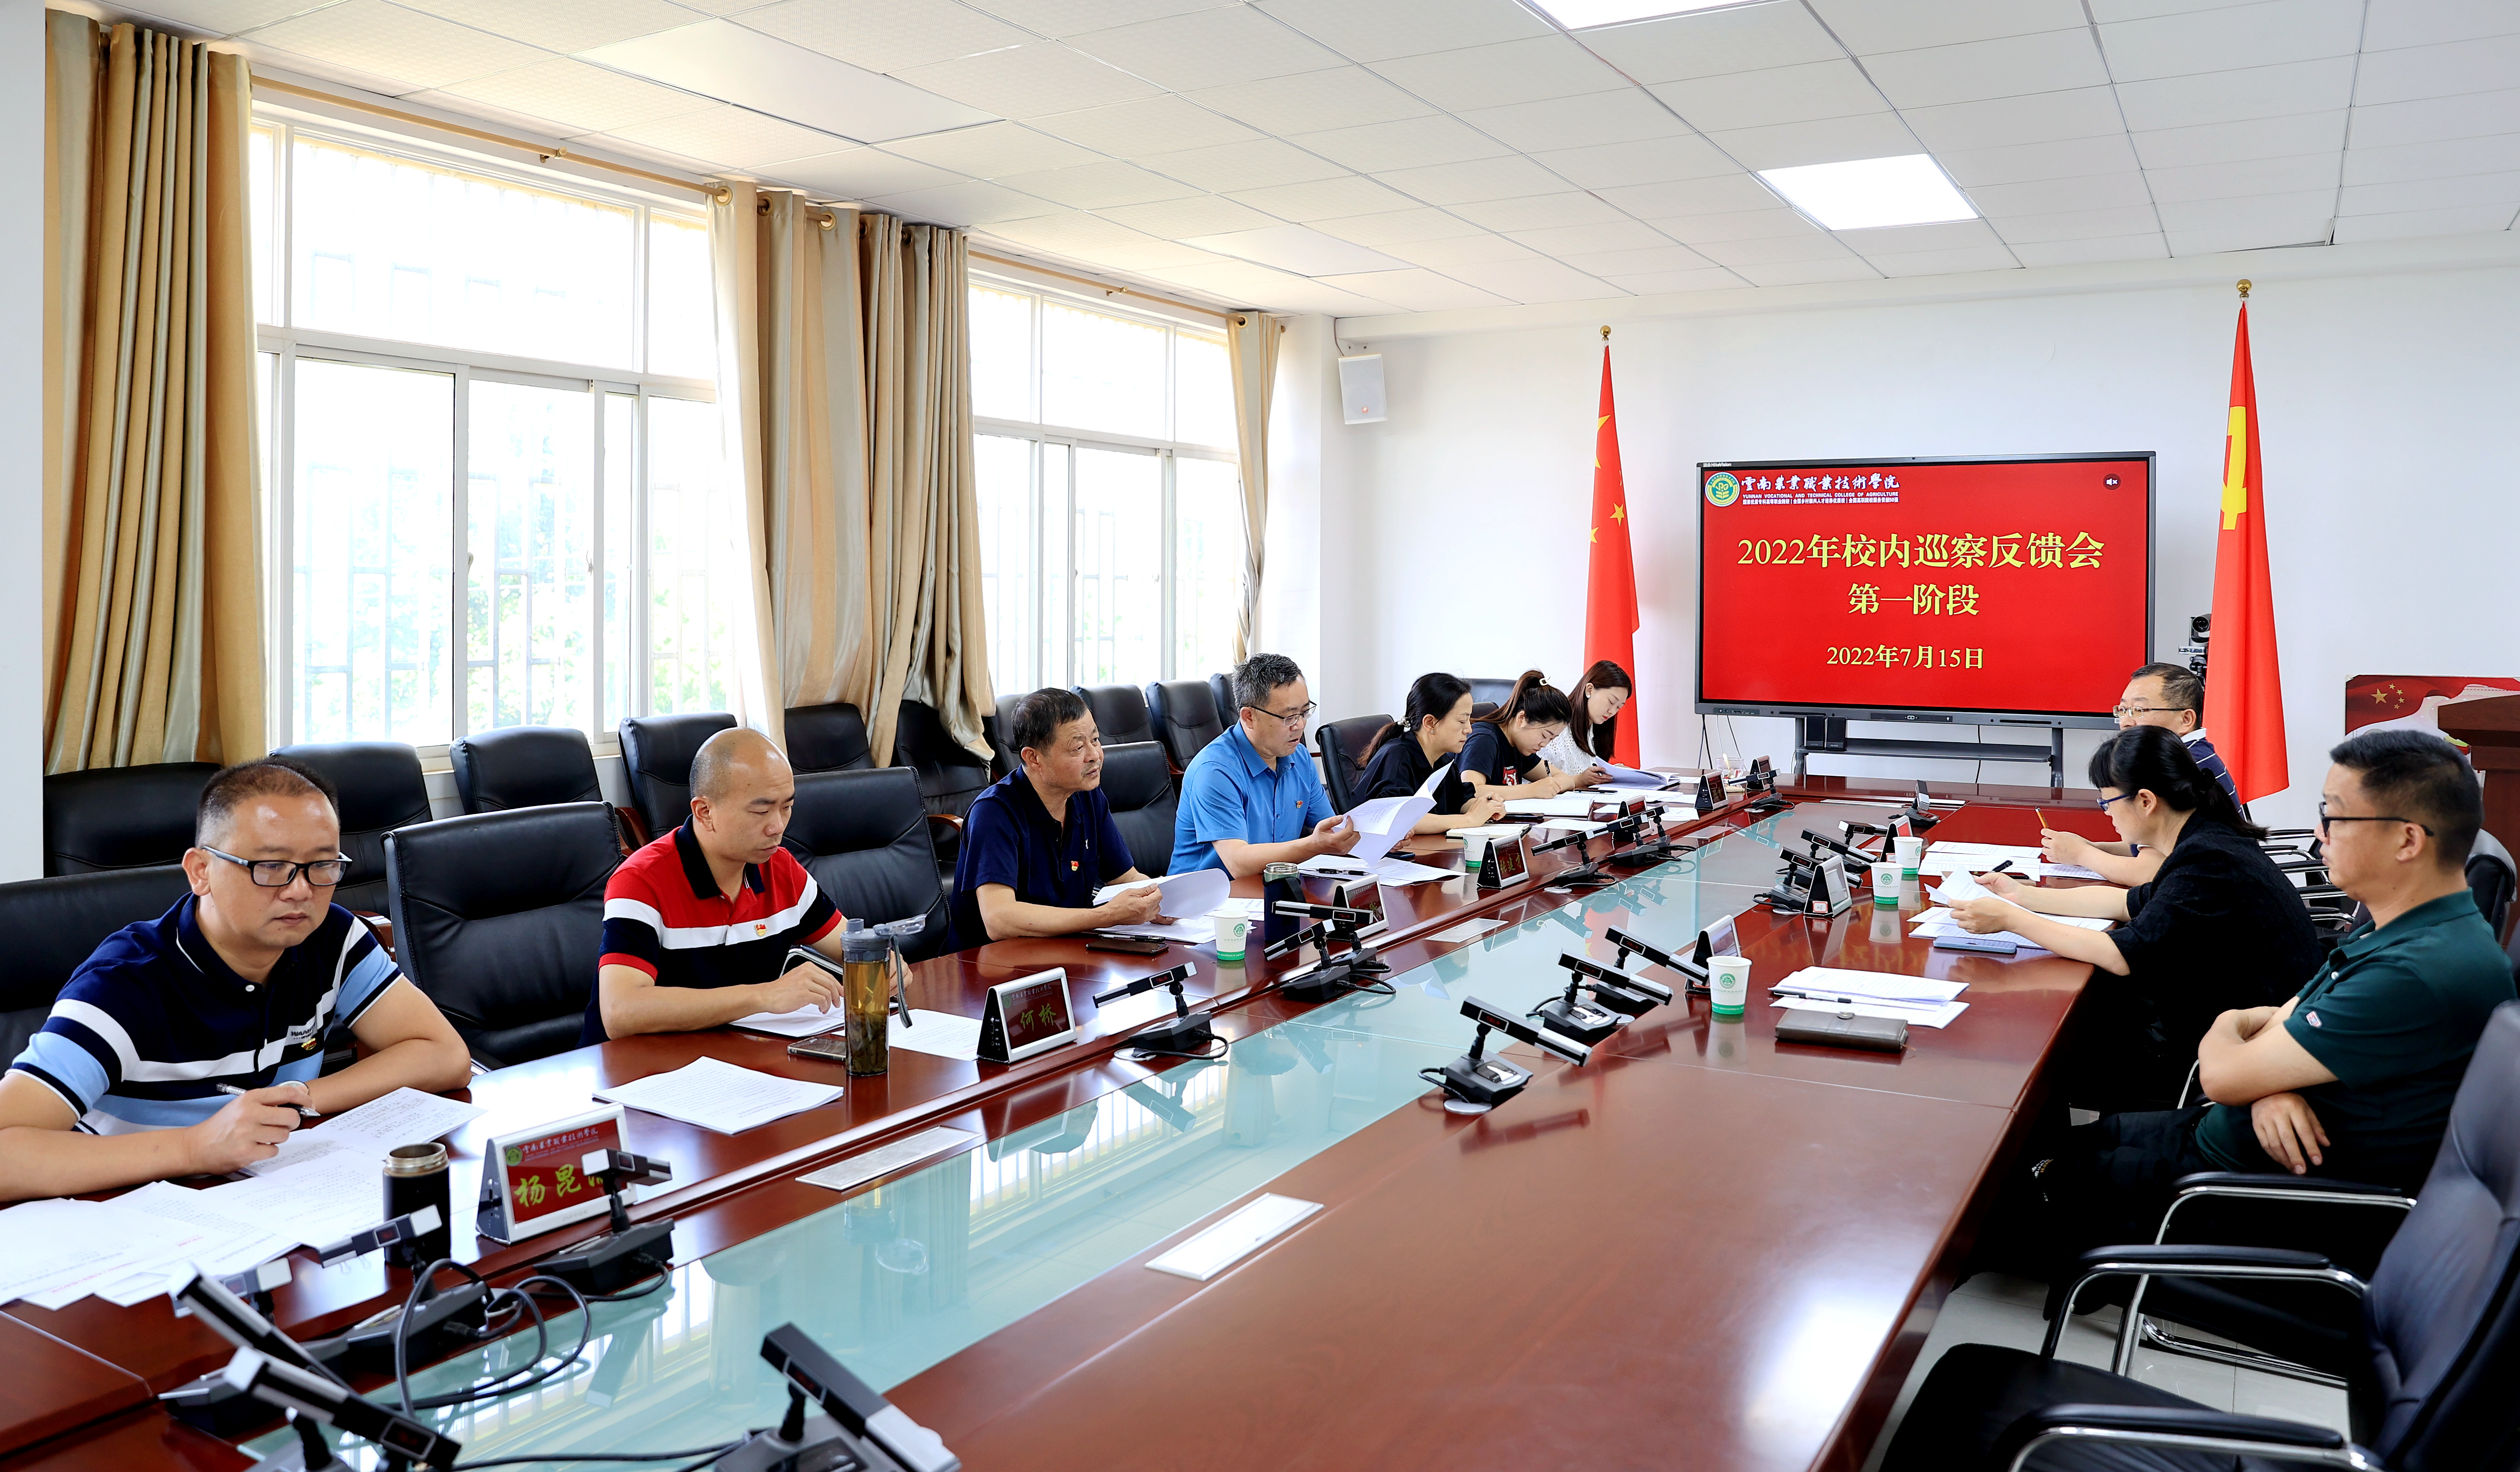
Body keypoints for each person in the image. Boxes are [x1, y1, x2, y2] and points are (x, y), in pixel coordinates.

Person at [2002, 729, 2513, 1273]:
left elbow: (2226, 1073)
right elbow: (2285, 1020)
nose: (2319, 833)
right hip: (2224, 1135)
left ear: (2408, 841)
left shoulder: (2413, 972)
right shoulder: (2400, 931)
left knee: (2007, 1200)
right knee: (2040, 1149)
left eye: (2336, 817)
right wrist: (2271, 1079)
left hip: (2237, 1194)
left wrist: (2237, 1039)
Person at [0, 758, 472, 1202]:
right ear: (201, 872)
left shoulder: (332, 938)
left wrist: (293, 1102)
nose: (301, 890)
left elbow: (444, 1055)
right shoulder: (124, 986)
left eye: (322, 865)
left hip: (266, 1191)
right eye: (271, 867)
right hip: (127, 1205)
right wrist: (196, 1147)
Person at [1948, 724, 2320, 1113]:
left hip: (2231, 1056)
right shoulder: (2204, 838)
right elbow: (2126, 903)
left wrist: (2012, 920)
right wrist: (2021, 896)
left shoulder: (2207, 860)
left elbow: (2120, 955)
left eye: (2107, 801)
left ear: (2145, 801)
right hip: (2231, 1026)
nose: (2107, 812)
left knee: (2042, 1055)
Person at [587, 727, 852, 1042]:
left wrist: (882, 964)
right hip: (640, 1066)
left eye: (787, 807)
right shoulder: (641, 881)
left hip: (733, 1056)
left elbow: (852, 947)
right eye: (761, 811)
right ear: (705, 812)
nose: (778, 826)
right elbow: (621, 1012)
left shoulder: (780, 868)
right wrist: (763, 995)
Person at [951, 688, 1168, 948]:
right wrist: (1107, 916)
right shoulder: (994, 812)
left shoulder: (1087, 796)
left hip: (1070, 949)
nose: (1095, 755)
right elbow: (999, 919)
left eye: (1095, 740)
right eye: (1078, 747)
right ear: (1034, 758)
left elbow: (1126, 878)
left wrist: (1167, 902)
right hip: (993, 962)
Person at [2042, 662, 2238, 885]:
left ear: (2186, 720)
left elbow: (2147, 873)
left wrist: (2081, 855)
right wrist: (2092, 848)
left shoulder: (2181, 766)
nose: (2126, 722)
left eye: (2140, 710)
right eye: (2122, 710)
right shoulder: (2193, 753)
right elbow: (2151, 847)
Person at [1171, 653, 1360, 878]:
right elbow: (1238, 863)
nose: (1300, 725)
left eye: (1304, 712)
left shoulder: (1299, 757)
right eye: (1289, 717)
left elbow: (1330, 832)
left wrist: (1378, 837)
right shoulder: (1215, 770)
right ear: (1249, 717)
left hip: (1272, 887)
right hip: (1207, 895)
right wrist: (1314, 845)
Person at [1355, 673, 1508, 836]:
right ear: (1430, 723)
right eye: (1462, 721)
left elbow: (1460, 800)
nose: (1469, 730)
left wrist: (1485, 806)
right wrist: (1469, 819)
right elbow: (1401, 819)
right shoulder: (1396, 757)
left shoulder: (1442, 759)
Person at [1459, 671, 1608, 801]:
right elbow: (1471, 790)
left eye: (1551, 739)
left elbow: (1566, 780)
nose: (1544, 744)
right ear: (1522, 719)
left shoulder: (1519, 747)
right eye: (1544, 735)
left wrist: (1551, 785)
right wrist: (1532, 790)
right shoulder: (1484, 739)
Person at [1537, 660, 1632, 776]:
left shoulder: (1594, 731)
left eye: (1619, 707)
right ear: (1590, 690)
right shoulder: (1557, 729)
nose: (1612, 712)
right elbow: (1539, 778)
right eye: (1611, 702)